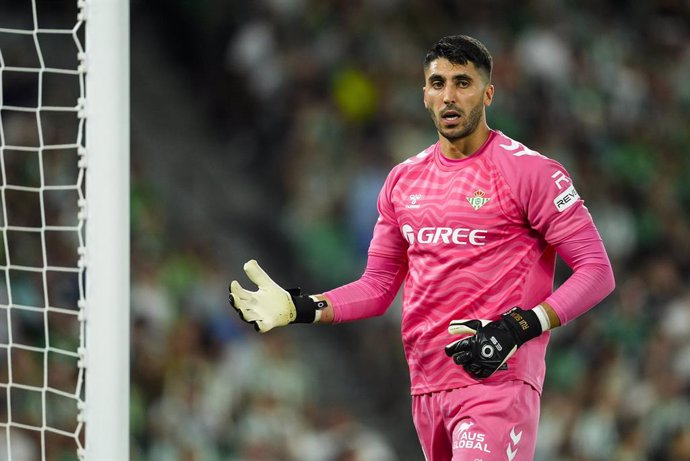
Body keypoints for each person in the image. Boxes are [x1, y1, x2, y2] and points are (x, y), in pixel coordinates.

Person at [229, 34, 615, 461]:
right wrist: (300, 307)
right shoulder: (402, 181)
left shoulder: (532, 172)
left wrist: (518, 327)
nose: (449, 96)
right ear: (425, 95)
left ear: (488, 93)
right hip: (427, 387)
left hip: (497, 383)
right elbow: (377, 288)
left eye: (463, 83)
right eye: (437, 83)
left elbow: (597, 270)